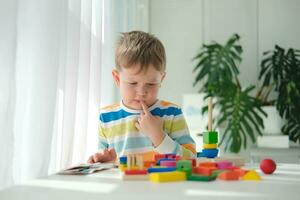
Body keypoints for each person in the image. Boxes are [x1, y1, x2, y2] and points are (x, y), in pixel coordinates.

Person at [87, 31, 196, 164]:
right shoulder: (106, 117)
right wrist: (103, 161)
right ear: (117, 78)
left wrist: (158, 136)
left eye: (151, 84)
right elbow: (105, 164)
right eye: (133, 83)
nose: (141, 92)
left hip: (164, 184)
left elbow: (191, 160)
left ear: (161, 79)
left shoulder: (172, 113)